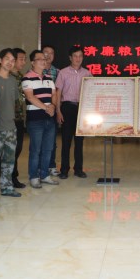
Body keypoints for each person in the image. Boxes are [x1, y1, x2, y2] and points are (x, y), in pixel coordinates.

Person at [0, 48, 22, 199]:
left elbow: (14, 102)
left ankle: (7, 187)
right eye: (7, 59)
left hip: (11, 127)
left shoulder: (13, 80)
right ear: (0, 60)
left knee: (9, 161)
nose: (10, 62)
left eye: (13, 60)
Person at [23, 50, 59, 188]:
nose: (44, 61)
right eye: (40, 59)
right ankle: (33, 176)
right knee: (35, 150)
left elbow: (54, 94)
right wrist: (46, 107)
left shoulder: (49, 78)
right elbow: (30, 97)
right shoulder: (27, 78)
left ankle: (44, 175)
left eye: (44, 59)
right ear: (32, 62)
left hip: (50, 118)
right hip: (35, 119)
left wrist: (53, 106)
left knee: (48, 149)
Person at [56, 46, 92, 179]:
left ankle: (78, 169)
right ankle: (64, 170)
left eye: (80, 56)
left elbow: (91, 92)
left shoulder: (87, 73)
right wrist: (58, 111)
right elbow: (58, 93)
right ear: (70, 58)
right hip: (67, 107)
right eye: (75, 56)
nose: (78, 59)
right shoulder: (63, 73)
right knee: (66, 141)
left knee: (79, 141)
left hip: (82, 109)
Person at [9, 47, 27, 188]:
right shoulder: (6, 76)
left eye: (24, 59)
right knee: (9, 150)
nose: (23, 62)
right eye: (21, 59)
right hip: (8, 118)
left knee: (18, 148)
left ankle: (11, 175)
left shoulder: (22, 77)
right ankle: (9, 177)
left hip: (20, 118)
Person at [42, 44, 61, 176]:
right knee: (39, 141)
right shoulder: (35, 71)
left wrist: (56, 108)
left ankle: (51, 165)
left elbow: (59, 92)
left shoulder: (58, 72)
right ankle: (40, 167)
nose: (48, 55)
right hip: (39, 109)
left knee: (52, 140)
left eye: (51, 53)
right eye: (46, 52)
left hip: (53, 109)